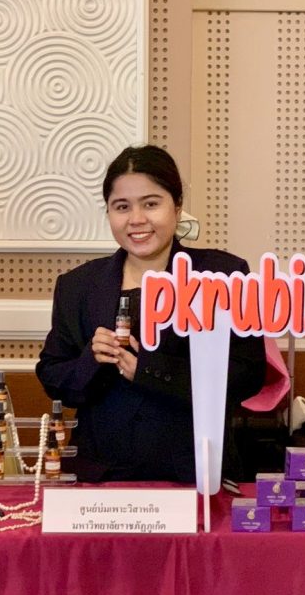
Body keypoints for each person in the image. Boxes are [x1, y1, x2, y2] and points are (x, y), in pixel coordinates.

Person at [36, 145, 266, 483]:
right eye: (122, 207)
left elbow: (248, 376)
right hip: (99, 481)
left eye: (151, 204)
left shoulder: (223, 275)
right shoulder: (78, 285)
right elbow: (54, 378)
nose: (136, 219)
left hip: (195, 476)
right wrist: (92, 360)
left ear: (177, 206)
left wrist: (150, 370)